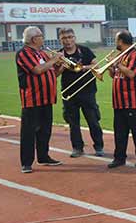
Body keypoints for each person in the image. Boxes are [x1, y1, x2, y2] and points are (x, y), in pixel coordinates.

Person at [16, 26, 62, 173]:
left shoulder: (42, 53)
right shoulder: (23, 53)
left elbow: (52, 73)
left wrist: (61, 66)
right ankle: (26, 162)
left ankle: (43, 156)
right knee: (29, 132)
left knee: (45, 130)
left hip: (47, 99)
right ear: (33, 39)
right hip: (32, 99)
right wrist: (54, 59)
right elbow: (37, 70)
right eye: (41, 35)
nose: (43, 38)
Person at [57, 28, 105, 157]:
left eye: (70, 37)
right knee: (73, 123)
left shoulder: (84, 50)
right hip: (69, 92)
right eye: (64, 38)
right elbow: (54, 74)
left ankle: (99, 146)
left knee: (93, 120)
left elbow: (96, 66)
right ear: (60, 40)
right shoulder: (59, 54)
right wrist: (62, 66)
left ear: (74, 38)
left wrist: (82, 68)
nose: (67, 40)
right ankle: (77, 148)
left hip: (87, 91)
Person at [107, 30, 136, 169]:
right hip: (118, 102)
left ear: (121, 41)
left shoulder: (135, 55)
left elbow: (130, 73)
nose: (114, 42)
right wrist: (110, 68)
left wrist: (118, 64)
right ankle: (119, 158)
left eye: (116, 40)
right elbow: (115, 75)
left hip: (132, 101)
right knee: (119, 132)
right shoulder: (121, 55)